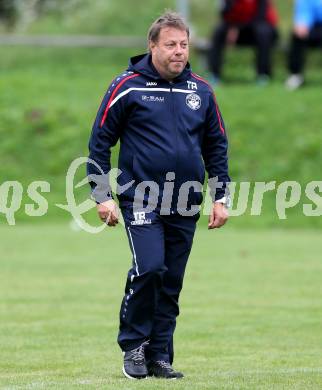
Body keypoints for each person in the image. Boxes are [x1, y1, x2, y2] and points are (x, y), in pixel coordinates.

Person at [87, 11, 230, 380]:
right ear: (152, 46)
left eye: (183, 44)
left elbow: (216, 146)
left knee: (171, 281)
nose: (179, 51)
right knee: (149, 268)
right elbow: (101, 141)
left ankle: (159, 356)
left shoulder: (200, 90)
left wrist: (220, 196)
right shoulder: (127, 86)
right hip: (141, 197)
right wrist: (101, 195)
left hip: (186, 200)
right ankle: (133, 346)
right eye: (170, 45)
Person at [208, 0, 278, 84]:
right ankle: (214, 74)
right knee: (218, 31)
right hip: (238, 29)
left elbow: (260, 17)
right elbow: (224, 14)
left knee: (263, 32)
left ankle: (263, 74)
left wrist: (237, 28)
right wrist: (232, 26)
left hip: (260, 28)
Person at [285, 0, 322, 90]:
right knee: (298, 35)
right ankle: (295, 75)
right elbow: (304, 11)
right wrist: (303, 23)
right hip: (315, 26)